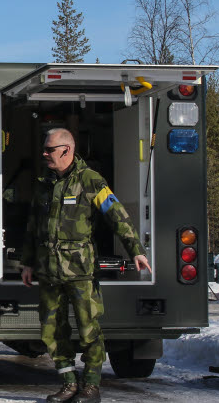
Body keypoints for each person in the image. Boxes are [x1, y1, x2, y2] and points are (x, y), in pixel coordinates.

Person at [20, 128, 152, 403]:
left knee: (89, 329)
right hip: (48, 270)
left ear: (67, 150)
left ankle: (91, 387)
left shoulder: (90, 180)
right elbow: (33, 227)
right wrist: (28, 263)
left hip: (79, 271)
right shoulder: (43, 183)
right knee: (52, 330)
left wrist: (135, 250)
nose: (44, 154)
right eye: (44, 149)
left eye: (50, 149)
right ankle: (68, 382)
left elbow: (116, 215)